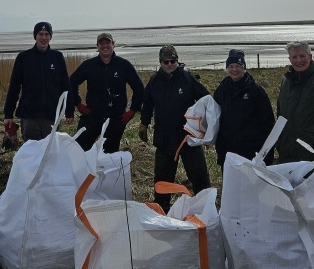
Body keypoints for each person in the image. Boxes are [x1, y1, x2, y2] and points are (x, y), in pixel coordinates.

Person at [139, 45, 211, 213]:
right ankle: (161, 211)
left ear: (177, 61)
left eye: (173, 61)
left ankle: (206, 210)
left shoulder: (187, 78)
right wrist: (144, 123)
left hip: (188, 138)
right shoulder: (154, 80)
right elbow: (147, 103)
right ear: (160, 62)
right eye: (166, 61)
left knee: (199, 177)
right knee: (162, 180)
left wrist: (206, 128)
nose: (170, 64)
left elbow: (206, 100)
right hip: (164, 139)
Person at [70, 32, 144, 153]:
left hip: (116, 118)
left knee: (110, 153)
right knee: (79, 149)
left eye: (108, 43)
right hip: (92, 116)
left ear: (113, 45)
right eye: (101, 43)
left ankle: (107, 170)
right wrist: (78, 104)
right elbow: (71, 83)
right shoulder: (89, 65)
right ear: (97, 46)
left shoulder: (124, 65)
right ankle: (84, 171)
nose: (105, 46)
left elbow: (139, 88)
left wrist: (132, 111)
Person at [3, 21, 73, 144]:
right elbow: (14, 87)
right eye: (41, 34)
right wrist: (8, 114)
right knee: (31, 152)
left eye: (47, 34)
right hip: (30, 115)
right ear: (35, 36)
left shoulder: (57, 57)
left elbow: (66, 86)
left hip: (52, 115)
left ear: (50, 36)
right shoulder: (24, 58)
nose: (44, 38)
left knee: (50, 151)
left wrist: (69, 111)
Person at [214, 49, 276, 171]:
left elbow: (267, 121)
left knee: (250, 186)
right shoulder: (221, 90)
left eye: (238, 66)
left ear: (244, 68)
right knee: (231, 185)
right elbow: (214, 119)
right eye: (230, 66)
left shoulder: (255, 90)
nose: (234, 70)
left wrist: (265, 152)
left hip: (250, 149)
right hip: (227, 149)